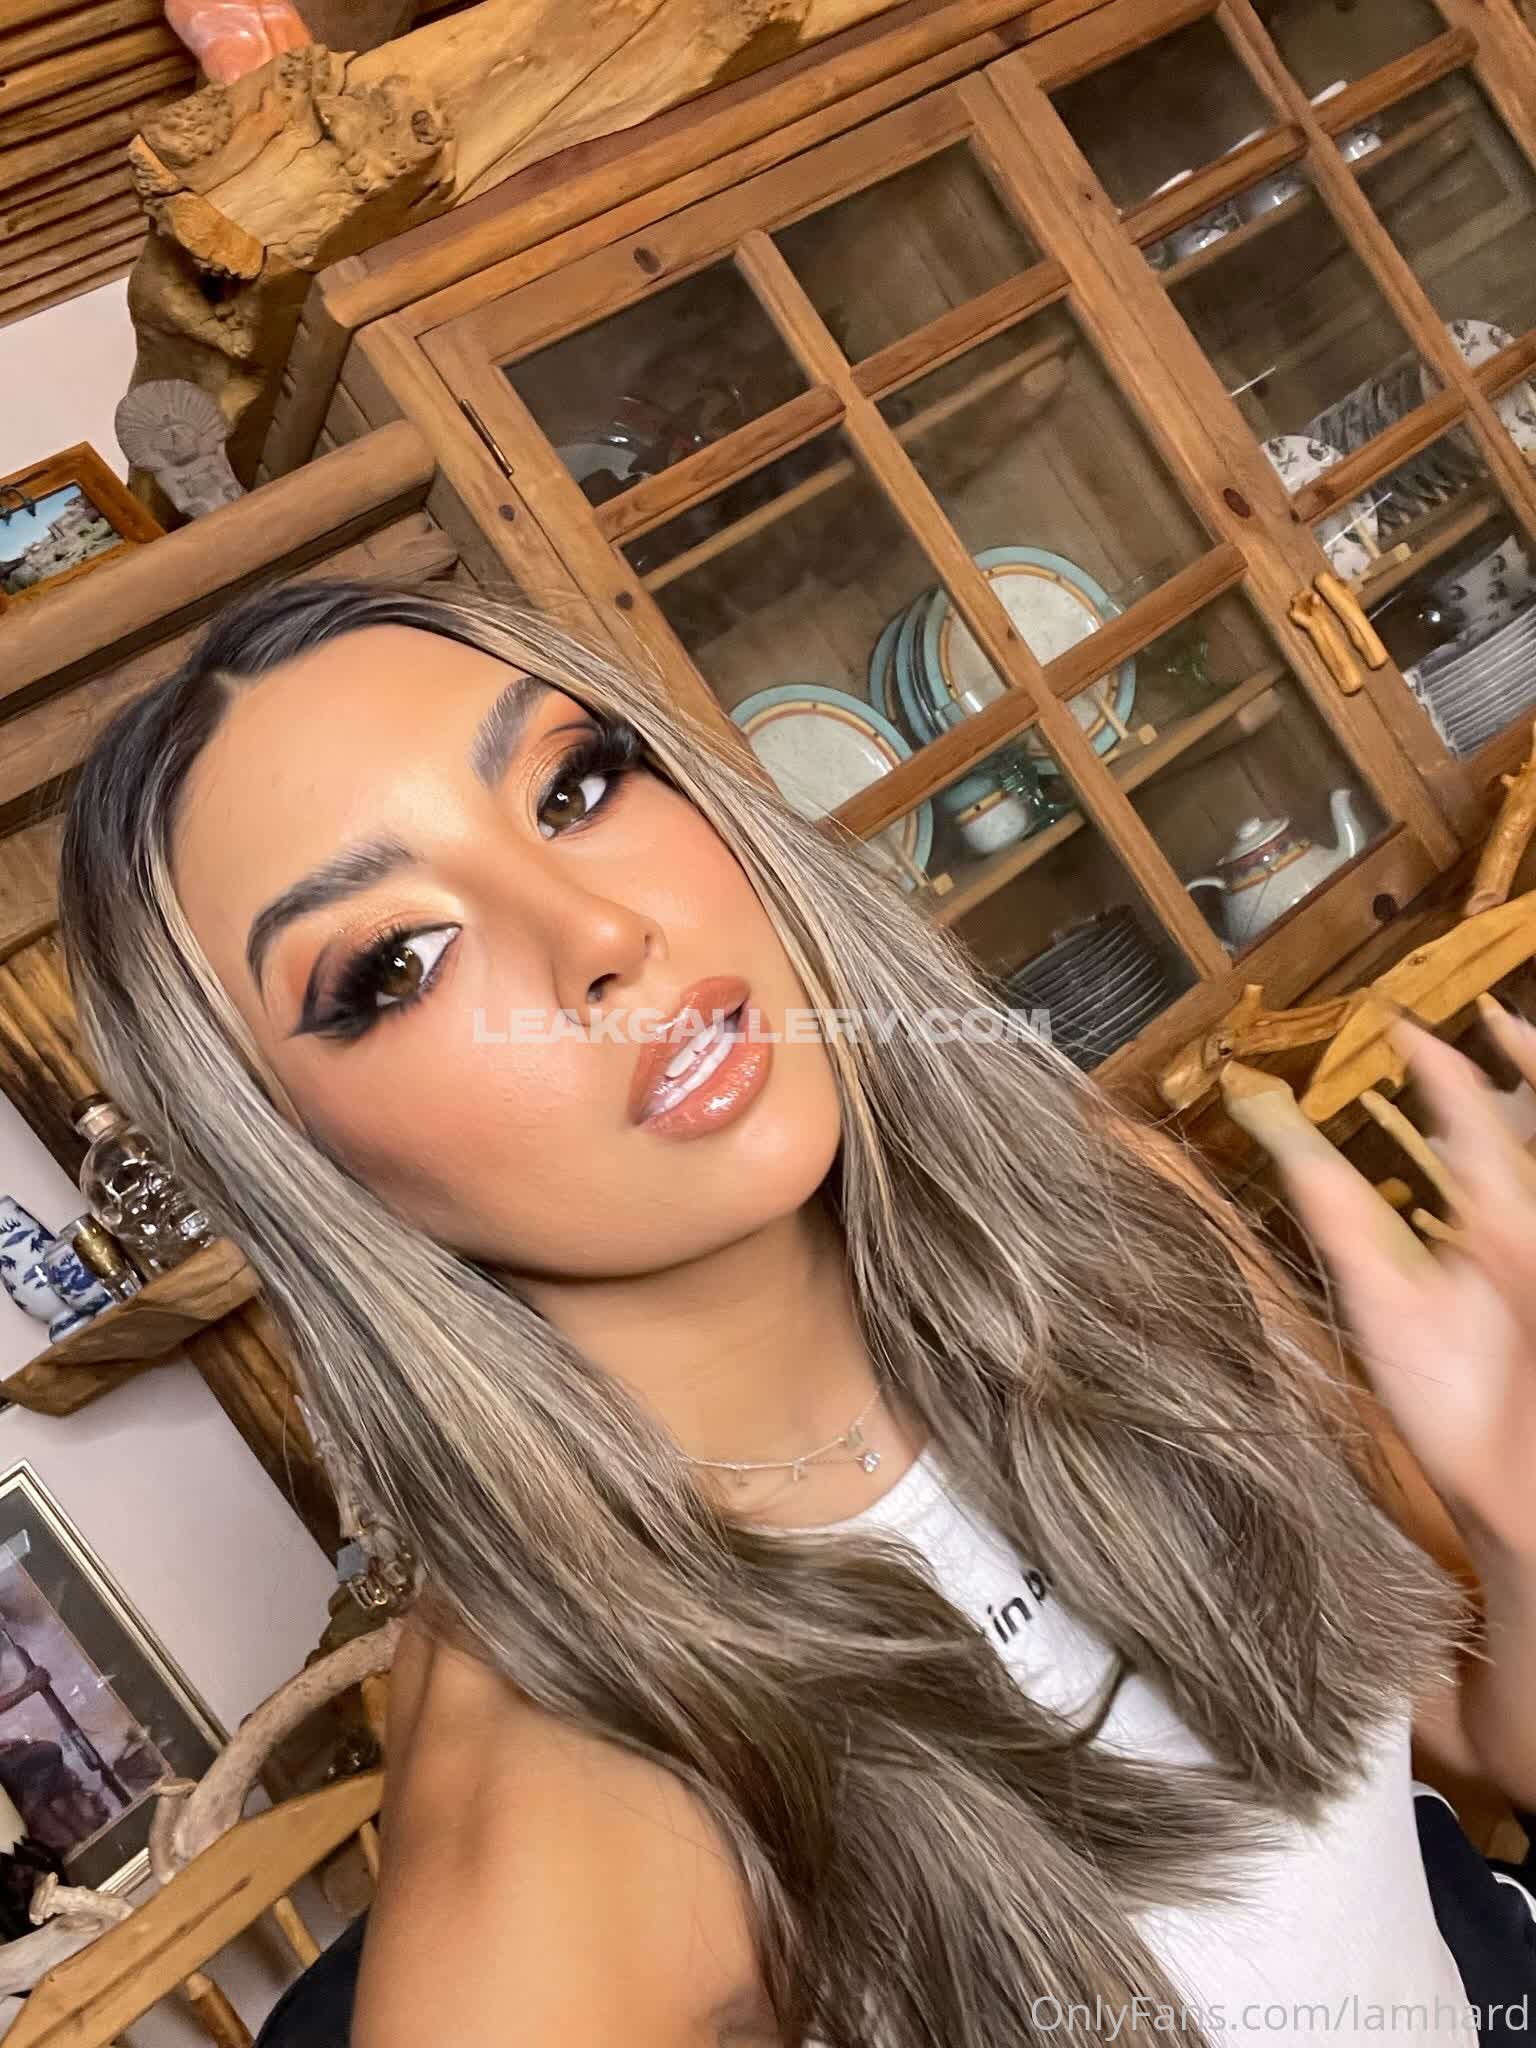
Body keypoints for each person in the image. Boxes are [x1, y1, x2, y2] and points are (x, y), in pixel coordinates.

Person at [54, 579, 1536, 2047]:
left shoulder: (1099, 1219)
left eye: (575, 787)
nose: (600, 929)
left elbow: (1472, 1742)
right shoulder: (574, 1788)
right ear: (296, 1157)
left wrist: (1518, 1528)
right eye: (396, 964)